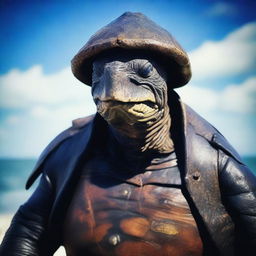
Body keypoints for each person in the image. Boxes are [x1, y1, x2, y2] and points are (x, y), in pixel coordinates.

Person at [1, 12, 256, 256]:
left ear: (166, 84)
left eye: (143, 73)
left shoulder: (213, 161)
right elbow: (28, 233)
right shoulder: (67, 157)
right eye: (99, 75)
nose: (113, 86)